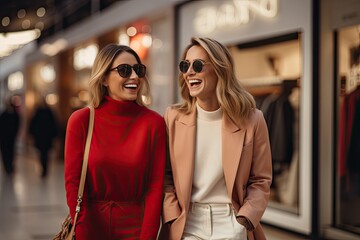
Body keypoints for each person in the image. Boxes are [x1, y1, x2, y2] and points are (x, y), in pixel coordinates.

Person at [160, 37, 272, 240]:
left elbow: (261, 179)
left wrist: (245, 218)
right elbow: (165, 175)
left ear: (221, 69)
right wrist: (171, 215)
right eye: (185, 66)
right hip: (187, 222)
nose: (189, 72)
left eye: (198, 65)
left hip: (231, 221)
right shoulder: (172, 117)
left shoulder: (253, 119)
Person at [64, 44, 166, 240]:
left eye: (139, 70)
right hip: (91, 227)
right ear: (103, 78)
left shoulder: (154, 123)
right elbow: (74, 185)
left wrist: (148, 237)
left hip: (137, 230)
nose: (135, 77)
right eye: (124, 70)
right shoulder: (81, 121)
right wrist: (84, 234)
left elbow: (155, 188)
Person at [29, 98, 58, 178]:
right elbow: (33, 124)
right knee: (41, 154)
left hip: (47, 138)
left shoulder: (49, 112)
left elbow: (54, 125)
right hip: (40, 137)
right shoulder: (38, 112)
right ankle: (43, 168)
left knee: (45, 154)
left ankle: (45, 169)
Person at [0, 97, 20, 175]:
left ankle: (10, 166)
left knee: (11, 152)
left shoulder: (15, 115)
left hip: (11, 137)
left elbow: (17, 125)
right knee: (5, 152)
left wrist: (16, 133)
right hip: (4, 138)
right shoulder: (3, 115)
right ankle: (7, 166)